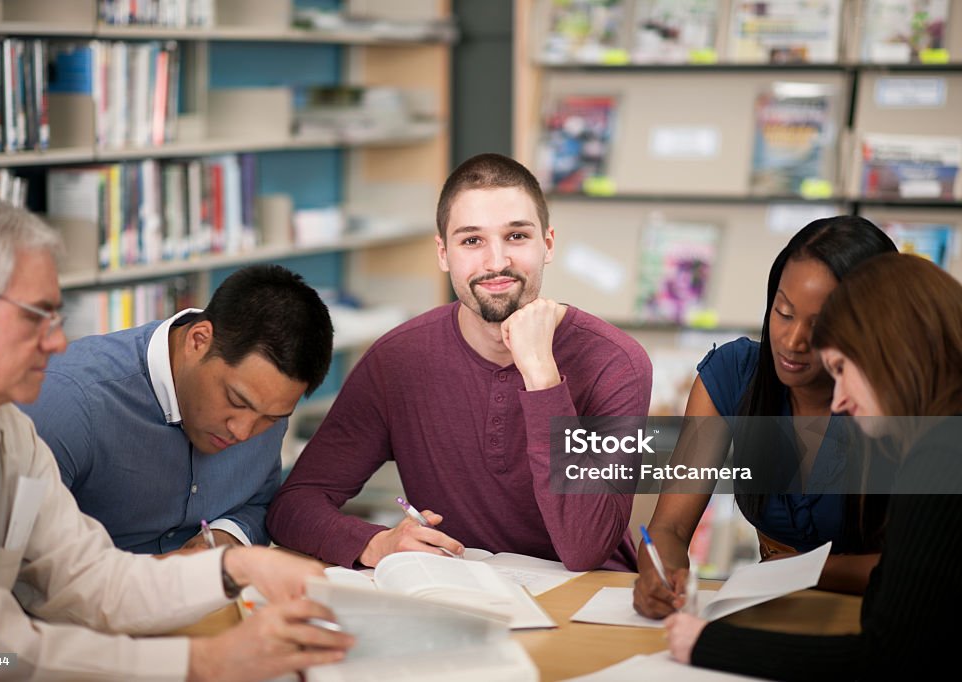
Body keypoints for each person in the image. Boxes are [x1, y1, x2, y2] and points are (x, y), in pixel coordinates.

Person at [0, 192, 352, 680]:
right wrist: (203, 663)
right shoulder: (63, 405)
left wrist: (236, 569)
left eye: (57, 318)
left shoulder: (9, 430)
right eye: (36, 316)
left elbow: (88, 576)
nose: (57, 342)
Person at [268, 153, 652, 571]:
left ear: (548, 244)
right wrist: (376, 543)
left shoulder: (617, 363)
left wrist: (542, 377)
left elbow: (585, 548)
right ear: (443, 253)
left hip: (588, 610)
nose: (496, 262)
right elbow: (293, 506)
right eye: (472, 241)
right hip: (459, 597)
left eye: (517, 236)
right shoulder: (397, 360)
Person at [666, 253, 962, 678]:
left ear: (891, 351)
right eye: (783, 313)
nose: (839, 399)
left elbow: (886, 659)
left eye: (841, 368)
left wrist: (706, 643)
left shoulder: (940, 457)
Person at [634, 216, 898, 618]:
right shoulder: (734, 374)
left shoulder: (904, 400)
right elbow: (669, 527)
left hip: (880, 621)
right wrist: (659, 571)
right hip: (774, 612)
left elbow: (921, 569)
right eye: (784, 312)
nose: (793, 342)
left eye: (822, 326)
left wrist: (799, 570)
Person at [20, 264, 333, 553]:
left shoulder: (264, 403)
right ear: (199, 340)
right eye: (236, 401)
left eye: (271, 419)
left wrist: (227, 536)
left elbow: (257, 503)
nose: (243, 431)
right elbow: (16, 556)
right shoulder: (66, 402)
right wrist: (171, 576)